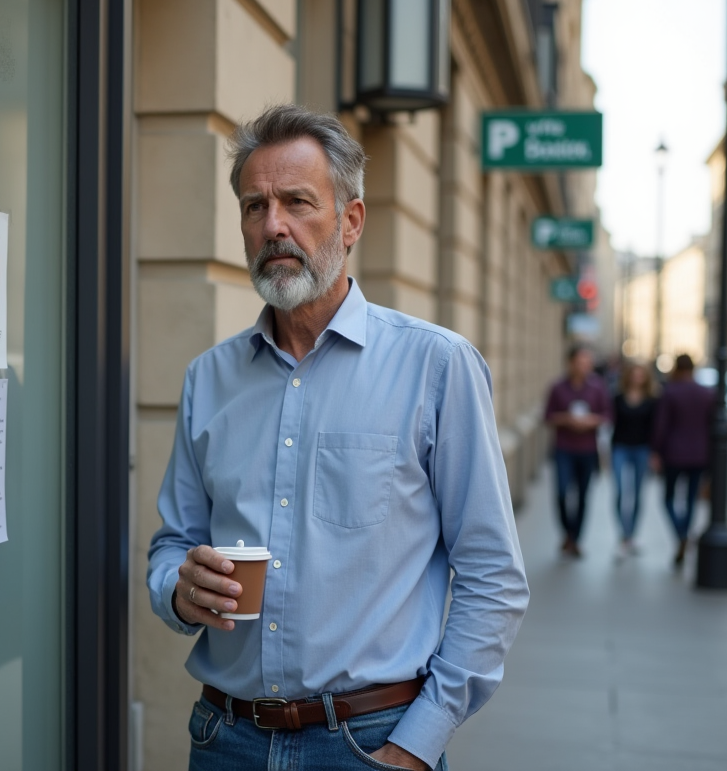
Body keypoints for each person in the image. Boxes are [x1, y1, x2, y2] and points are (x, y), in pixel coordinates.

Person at [146, 104, 528, 771]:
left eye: (297, 202)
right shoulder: (208, 378)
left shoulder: (436, 367)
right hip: (225, 740)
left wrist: (418, 743)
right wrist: (178, 588)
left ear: (350, 221)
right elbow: (173, 543)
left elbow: (493, 576)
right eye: (254, 206)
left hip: (369, 741)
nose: (274, 226)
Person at [544, 346, 610, 558]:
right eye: (581, 362)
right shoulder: (557, 387)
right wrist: (566, 419)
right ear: (571, 363)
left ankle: (575, 539)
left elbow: (607, 415)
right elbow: (548, 417)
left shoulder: (597, 387)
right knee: (562, 493)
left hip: (587, 449)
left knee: (582, 496)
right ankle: (567, 532)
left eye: (587, 363)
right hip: (564, 448)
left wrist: (592, 421)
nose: (585, 367)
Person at [651, 354, 715, 566]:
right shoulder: (706, 393)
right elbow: (712, 426)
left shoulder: (670, 392)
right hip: (699, 454)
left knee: (668, 498)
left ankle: (680, 534)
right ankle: (684, 533)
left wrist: (655, 451)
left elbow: (661, 425)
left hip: (674, 454)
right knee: (690, 500)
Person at [610, 362, 657, 558]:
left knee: (637, 493)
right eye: (634, 374)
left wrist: (655, 453)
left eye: (641, 375)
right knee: (620, 491)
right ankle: (624, 533)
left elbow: (656, 429)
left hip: (642, 449)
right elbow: (610, 424)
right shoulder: (617, 397)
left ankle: (631, 534)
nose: (637, 378)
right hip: (620, 447)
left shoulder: (653, 400)